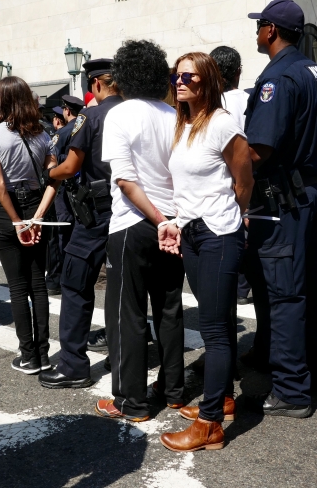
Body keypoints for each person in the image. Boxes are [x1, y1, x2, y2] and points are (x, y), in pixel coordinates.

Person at [242, 0, 317, 417]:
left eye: (259, 26)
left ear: (271, 31)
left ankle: (291, 390)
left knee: (285, 291)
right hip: (314, 192)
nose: (256, 33)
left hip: (286, 197)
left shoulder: (278, 77)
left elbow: (260, 148)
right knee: (313, 288)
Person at [157, 52, 253, 452]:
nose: (180, 83)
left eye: (189, 78)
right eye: (177, 76)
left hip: (218, 234)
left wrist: (231, 215)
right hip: (192, 234)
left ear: (207, 82)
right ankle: (224, 398)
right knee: (220, 323)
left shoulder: (221, 122)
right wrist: (178, 221)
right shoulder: (183, 124)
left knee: (214, 332)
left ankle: (211, 423)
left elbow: (243, 178)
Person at [95, 40, 185, 422]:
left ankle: (131, 400)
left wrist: (157, 218)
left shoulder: (120, 114)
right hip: (174, 222)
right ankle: (174, 389)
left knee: (126, 313)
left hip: (135, 222)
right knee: (169, 307)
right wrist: (169, 220)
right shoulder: (176, 113)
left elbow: (125, 181)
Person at [37, 59, 123, 389]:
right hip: (131, 210)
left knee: (75, 282)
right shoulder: (135, 111)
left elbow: (72, 165)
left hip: (97, 211)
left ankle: (73, 364)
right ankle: (123, 357)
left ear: (96, 85)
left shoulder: (91, 115)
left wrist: (50, 173)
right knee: (123, 290)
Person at [0, 76, 59, 374]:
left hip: (6, 210)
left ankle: (28, 356)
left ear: (2, 99)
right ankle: (44, 354)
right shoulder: (43, 135)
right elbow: (54, 179)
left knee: (17, 286)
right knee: (38, 284)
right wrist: (37, 216)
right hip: (36, 202)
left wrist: (16, 222)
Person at [209, 45, 252, 304]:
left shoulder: (212, 105)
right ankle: (245, 285)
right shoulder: (250, 99)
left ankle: (238, 287)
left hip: (221, 183)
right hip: (249, 176)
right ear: (238, 72)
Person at [44, 95, 83, 295]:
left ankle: (58, 280)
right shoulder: (86, 126)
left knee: (62, 234)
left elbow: (53, 162)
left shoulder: (65, 132)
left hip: (64, 188)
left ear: (66, 111)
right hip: (83, 190)